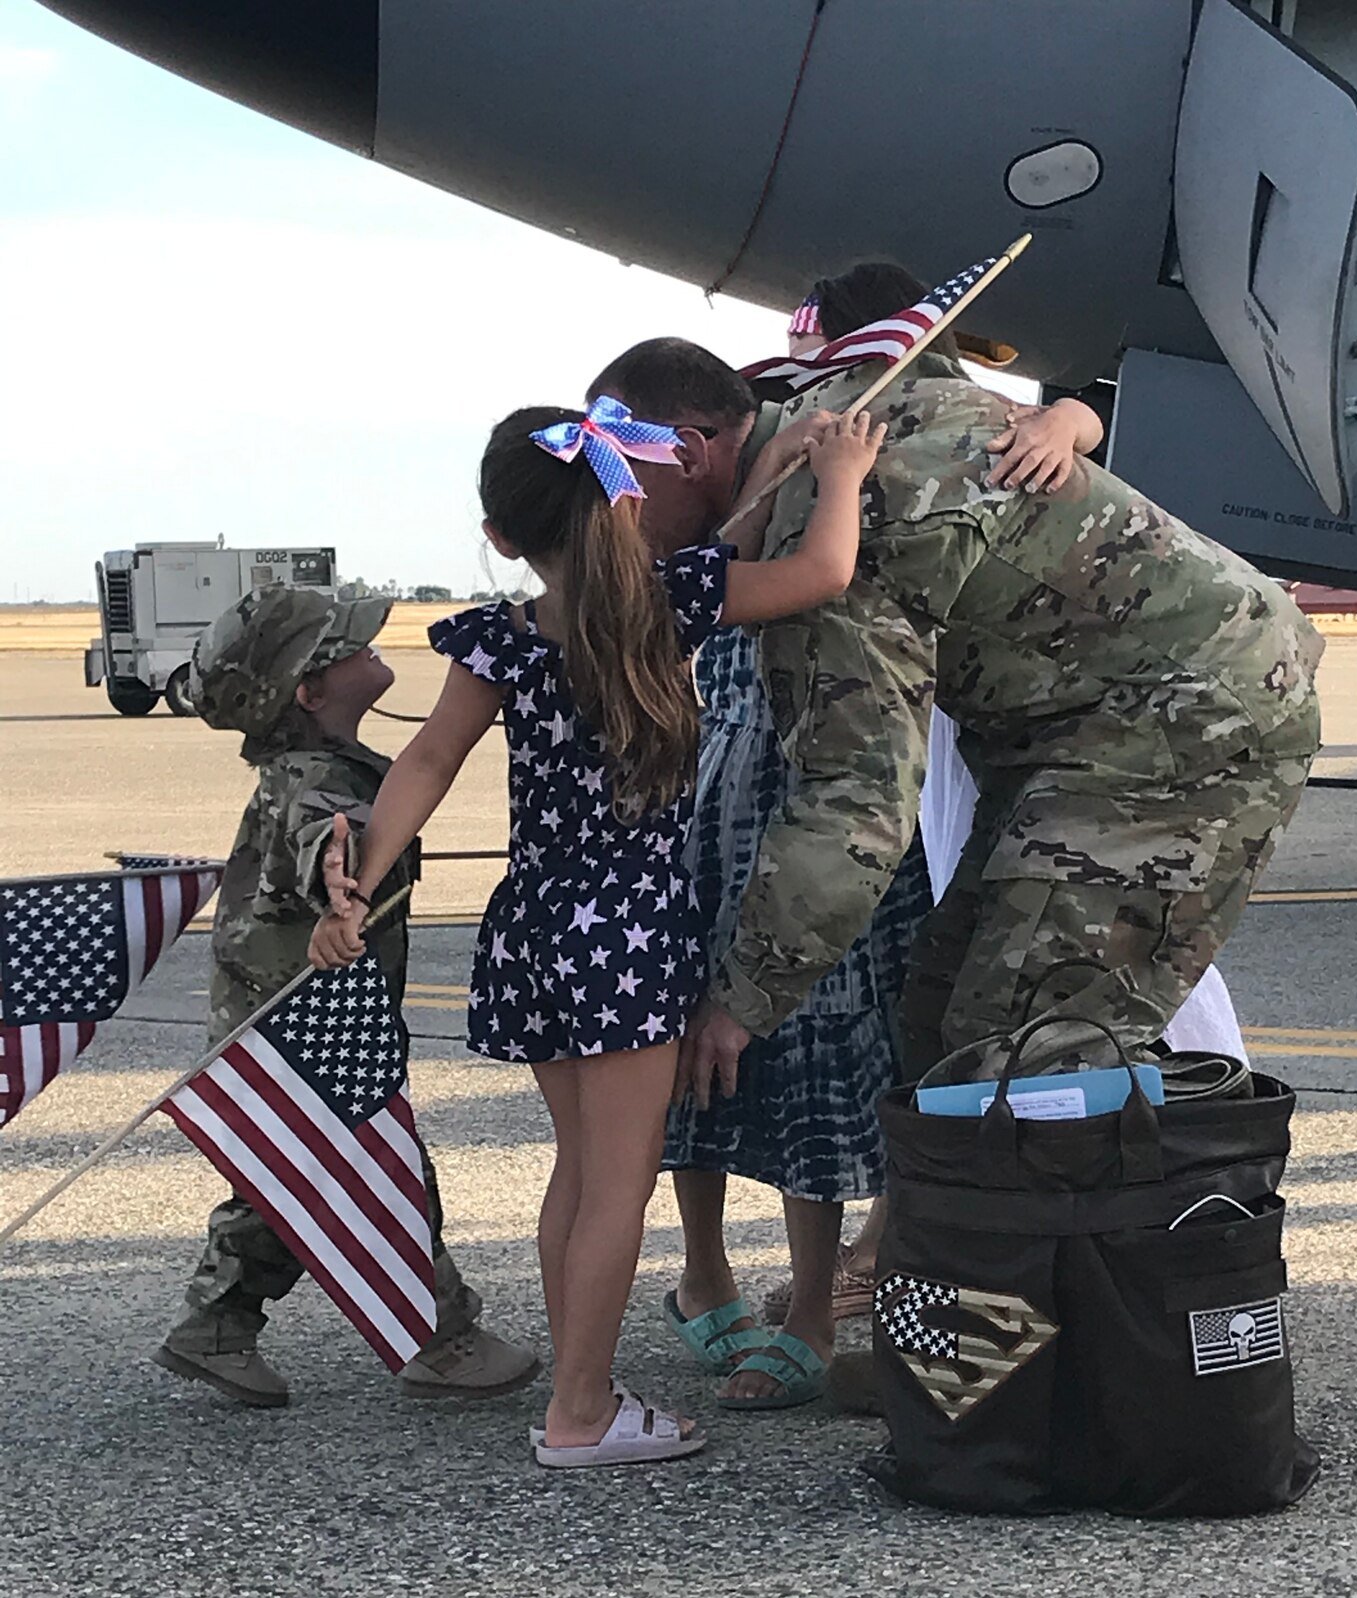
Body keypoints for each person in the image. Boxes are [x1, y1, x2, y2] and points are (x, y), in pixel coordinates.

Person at [588, 313, 1323, 1406]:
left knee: (1025, 1043)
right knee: (935, 1026)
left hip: (1186, 729)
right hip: (1076, 736)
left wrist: (743, 996)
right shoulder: (840, 439)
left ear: (690, 451)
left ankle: (1054, 1374)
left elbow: (854, 802)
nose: (619, 524)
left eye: (621, 491)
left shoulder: (844, 516)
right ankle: (957, 1346)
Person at [308, 397, 887, 1467]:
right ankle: (581, 1410)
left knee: (577, 1174)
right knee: (617, 1185)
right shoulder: (673, 603)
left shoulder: (505, 637)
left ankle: (585, 1386)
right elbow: (821, 574)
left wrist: (363, 878)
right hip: (627, 925)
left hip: (536, 921)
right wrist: (842, 473)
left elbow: (428, 762)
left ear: (504, 538)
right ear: (622, 501)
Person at [661, 263, 1104, 1410]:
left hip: (857, 781)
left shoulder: (918, 432)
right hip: (733, 785)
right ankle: (705, 1266)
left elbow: (1071, 416)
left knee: (830, 1047)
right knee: (697, 1052)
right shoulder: (787, 427)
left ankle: (827, 1292)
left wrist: (1067, 415)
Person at [156, 585, 539, 1410]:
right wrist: (339, 882)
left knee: (283, 1178)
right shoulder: (318, 781)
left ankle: (217, 1325)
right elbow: (321, 843)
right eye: (348, 647)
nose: (373, 648)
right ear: (311, 693)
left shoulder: (321, 766)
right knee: (371, 1162)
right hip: (296, 1017)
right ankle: (439, 1336)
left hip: (279, 1008)